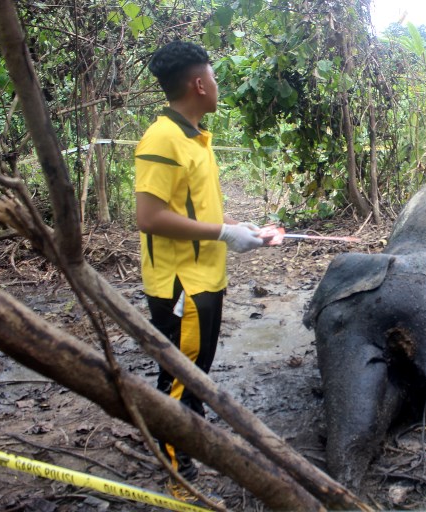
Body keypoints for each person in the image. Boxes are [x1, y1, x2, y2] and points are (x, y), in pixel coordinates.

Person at [134, 40, 266, 503]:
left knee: (196, 372)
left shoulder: (193, 136)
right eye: (212, 75)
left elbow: (193, 210)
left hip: (205, 278)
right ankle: (176, 473)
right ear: (198, 83)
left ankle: (188, 439)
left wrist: (237, 229)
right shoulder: (163, 139)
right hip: (181, 285)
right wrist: (224, 235)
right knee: (179, 378)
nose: (216, 84)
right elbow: (149, 217)